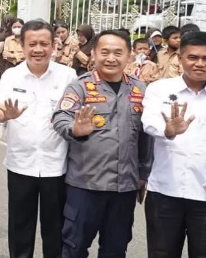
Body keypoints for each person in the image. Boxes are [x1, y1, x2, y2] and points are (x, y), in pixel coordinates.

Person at [52, 29, 152, 258]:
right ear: (94, 54)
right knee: (74, 247)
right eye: (104, 52)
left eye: (118, 52)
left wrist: (143, 173)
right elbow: (61, 117)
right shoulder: (80, 86)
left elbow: (147, 136)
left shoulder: (140, 90)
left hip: (124, 187)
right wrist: (75, 130)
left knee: (115, 250)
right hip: (85, 185)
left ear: (129, 56)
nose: (111, 58)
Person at [0, 20, 77, 258]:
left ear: (53, 45)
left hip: (56, 166)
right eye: (33, 44)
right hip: (21, 165)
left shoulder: (68, 75)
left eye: (44, 44)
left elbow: (75, 114)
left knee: (55, 229)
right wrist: (5, 115)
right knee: (20, 228)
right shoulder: (12, 75)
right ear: (22, 45)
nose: (38, 49)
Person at [141, 31, 206, 256]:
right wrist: (167, 130)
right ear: (180, 58)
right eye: (193, 57)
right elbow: (148, 122)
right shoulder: (159, 89)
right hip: (166, 192)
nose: (199, 64)